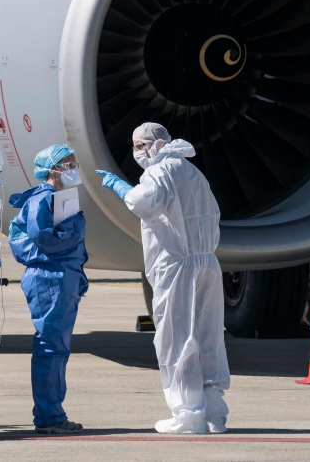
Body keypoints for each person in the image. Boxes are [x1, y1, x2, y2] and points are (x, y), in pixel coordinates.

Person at [97, 122, 230, 435]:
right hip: (206, 263)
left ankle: (188, 416)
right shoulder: (193, 172)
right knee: (208, 337)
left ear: (150, 144)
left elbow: (144, 203)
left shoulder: (159, 172)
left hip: (177, 267)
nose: (137, 152)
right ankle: (214, 413)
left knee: (177, 339)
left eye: (138, 145)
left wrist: (121, 188)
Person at [8, 144, 87, 434]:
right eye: (68, 164)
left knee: (56, 347)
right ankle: (50, 416)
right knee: (51, 347)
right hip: (50, 277)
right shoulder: (44, 199)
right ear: (52, 169)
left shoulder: (58, 197)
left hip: (59, 276)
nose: (73, 169)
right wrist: (76, 230)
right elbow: (44, 237)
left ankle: (51, 412)